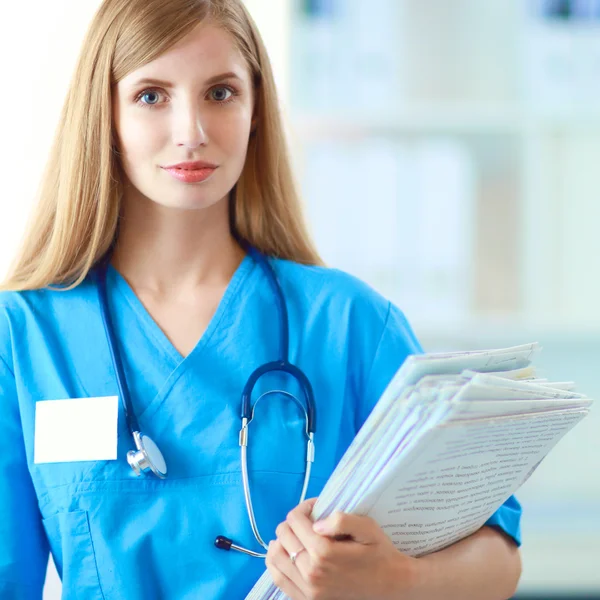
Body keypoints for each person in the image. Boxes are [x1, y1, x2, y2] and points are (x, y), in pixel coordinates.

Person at [0, 0, 522, 598]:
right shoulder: (23, 335)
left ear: (255, 111)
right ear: (105, 115)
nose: (191, 131)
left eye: (220, 93)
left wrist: (393, 579)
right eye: (151, 95)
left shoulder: (348, 323)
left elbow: (498, 556)